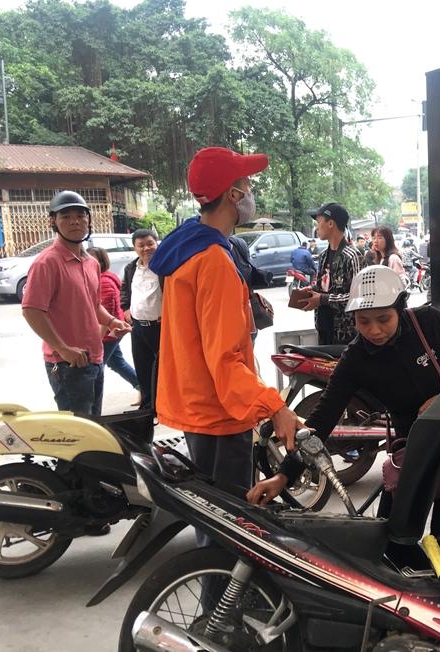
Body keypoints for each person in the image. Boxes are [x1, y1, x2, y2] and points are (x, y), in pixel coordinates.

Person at [248, 265, 440, 565]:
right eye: (363, 321)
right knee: (392, 543)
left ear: (400, 308)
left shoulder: (430, 323)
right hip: (413, 451)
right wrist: (283, 476)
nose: (374, 330)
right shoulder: (355, 359)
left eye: (384, 319)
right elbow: (320, 422)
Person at [148, 146, 298, 546]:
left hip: (198, 407)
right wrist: (275, 407)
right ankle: (221, 590)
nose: (251, 193)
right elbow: (225, 359)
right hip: (220, 413)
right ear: (233, 194)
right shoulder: (213, 259)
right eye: (247, 184)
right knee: (227, 539)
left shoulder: (186, 247)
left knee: (212, 527)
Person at [22, 191, 131, 416]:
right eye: (66, 216)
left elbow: (93, 304)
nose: (75, 221)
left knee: (93, 426)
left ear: (88, 220)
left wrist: (112, 322)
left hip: (95, 356)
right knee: (78, 431)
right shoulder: (47, 262)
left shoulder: (91, 262)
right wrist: (63, 349)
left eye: (81, 216)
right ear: (53, 221)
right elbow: (31, 310)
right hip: (67, 363)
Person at [299, 202, 363, 345]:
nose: (316, 228)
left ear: (330, 223)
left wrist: (322, 299)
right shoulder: (323, 256)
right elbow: (323, 287)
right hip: (324, 328)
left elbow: (359, 297)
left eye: (318, 222)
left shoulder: (353, 256)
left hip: (347, 334)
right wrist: (311, 291)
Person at [87, 247, 139, 403]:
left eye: (93, 259)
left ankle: (92, 407)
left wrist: (97, 341)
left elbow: (106, 314)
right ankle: (144, 388)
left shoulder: (104, 282)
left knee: (95, 369)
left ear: (102, 261)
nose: (88, 262)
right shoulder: (100, 278)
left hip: (108, 333)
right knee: (116, 362)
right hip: (110, 331)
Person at [121, 229, 163, 410]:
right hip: (138, 326)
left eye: (150, 244)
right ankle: (147, 408)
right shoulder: (131, 268)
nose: (146, 248)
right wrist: (125, 309)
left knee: (164, 369)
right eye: (141, 245)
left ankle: (165, 406)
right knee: (143, 368)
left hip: (160, 327)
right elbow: (124, 289)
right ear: (135, 248)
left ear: (157, 243)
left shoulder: (165, 267)